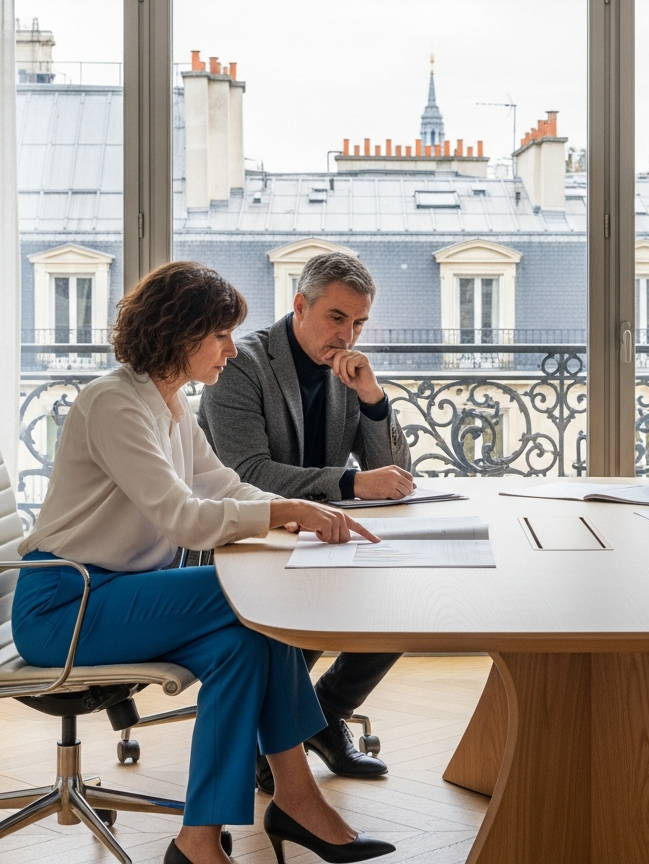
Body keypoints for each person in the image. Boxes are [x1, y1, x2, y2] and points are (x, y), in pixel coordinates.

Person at [12, 262, 395, 864]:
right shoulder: (114, 403)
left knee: (244, 645)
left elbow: (221, 484)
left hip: (119, 595)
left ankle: (199, 843)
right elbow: (185, 517)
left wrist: (292, 510)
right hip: (65, 603)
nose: (231, 350)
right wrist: (286, 512)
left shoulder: (167, 404)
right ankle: (296, 799)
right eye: (219, 335)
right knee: (255, 594)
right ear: (179, 332)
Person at [198, 252, 412, 792]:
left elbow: (397, 471)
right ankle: (275, 739)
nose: (348, 334)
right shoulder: (241, 364)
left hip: (319, 534)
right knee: (304, 611)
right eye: (336, 318)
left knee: (405, 597)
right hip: (247, 538)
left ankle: (319, 717)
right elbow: (247, 472)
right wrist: (348, 485)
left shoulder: (348, 369)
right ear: (300, 305)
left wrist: (373, 397)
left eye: (359, 322)